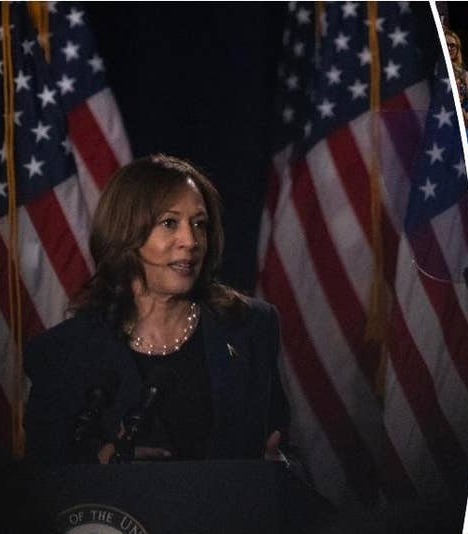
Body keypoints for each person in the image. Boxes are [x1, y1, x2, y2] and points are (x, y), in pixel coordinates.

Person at [25, 154, 288, 464]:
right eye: (169, 223)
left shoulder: (250, 327)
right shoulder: (62, 352)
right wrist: (101, 462)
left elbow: (285, 446)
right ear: (126, 234)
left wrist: (276, 470)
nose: (190, 241)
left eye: (199, 224)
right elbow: (44, 473)